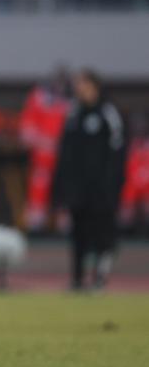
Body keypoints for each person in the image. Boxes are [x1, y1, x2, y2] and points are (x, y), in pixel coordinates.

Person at [52, 69, 126, 291]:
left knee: (103, 234)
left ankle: (99, 279)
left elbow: (117, 154)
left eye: (82, 84)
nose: (78, 89)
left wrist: (111, 187)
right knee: (78, 235)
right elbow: (64, 153)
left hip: (102, 191)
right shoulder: (73, 114)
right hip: (78, 190)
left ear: (94, 85)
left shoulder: (109, 114)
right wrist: (62, 187)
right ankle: (77, 280)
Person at [19, 67, 71, 231]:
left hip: (66, 157)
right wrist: (41, 141)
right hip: (43, 156)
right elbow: (27, 126)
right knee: (39, 188)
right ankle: (36, 224)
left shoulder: (72, 100)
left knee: (66, 191)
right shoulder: (39, 98)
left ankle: (65, 225)